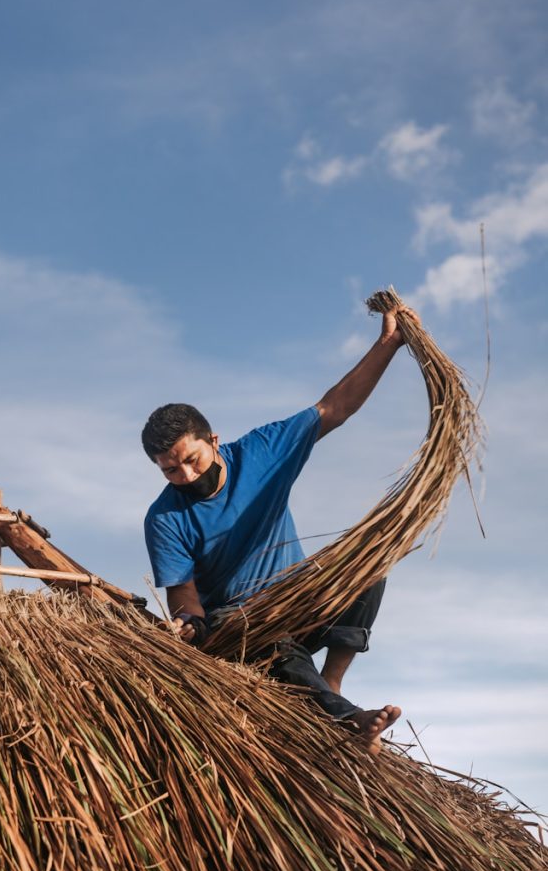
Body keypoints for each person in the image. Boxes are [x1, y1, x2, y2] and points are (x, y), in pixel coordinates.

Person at [142, 305, 418, 741]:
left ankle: (333, 681)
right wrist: (189, 624)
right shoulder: (164, 517)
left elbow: (336, 405)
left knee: (368, 569)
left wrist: (389, 343)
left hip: (303, 597)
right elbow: (184, 595)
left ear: (214, 441)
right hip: (245, 625)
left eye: (192, 460)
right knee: (281, 654)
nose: (187, 477)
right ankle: (348, 717)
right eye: (171, 471)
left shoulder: (261, 453)